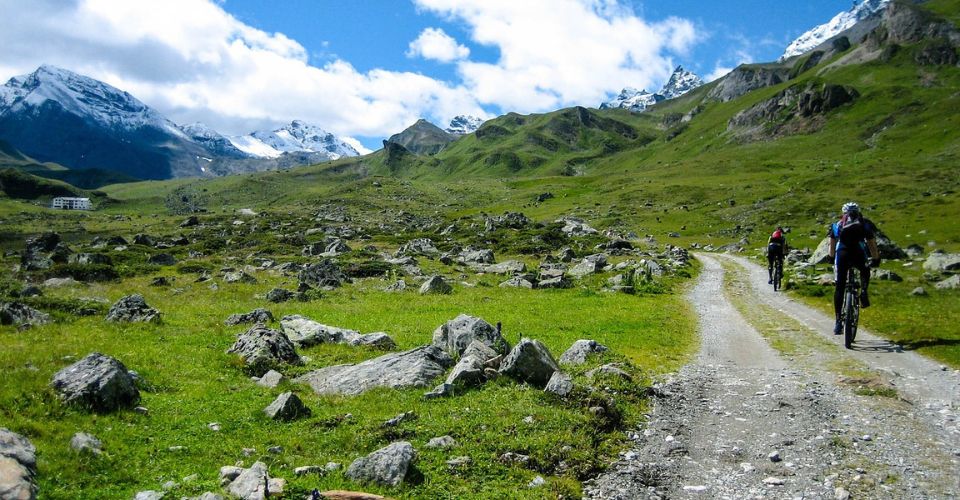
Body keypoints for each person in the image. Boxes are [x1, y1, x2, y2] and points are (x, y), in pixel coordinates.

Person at [828, 202, 881, 334]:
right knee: (865, 270)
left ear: (843, 213)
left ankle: (838, 321)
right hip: (858, 253)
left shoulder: (838, 225)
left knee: (840, 286)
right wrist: (875, 258)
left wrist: (831, 257)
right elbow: (871, 243)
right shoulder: (864, 224)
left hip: (842, 253)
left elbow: (832, 244)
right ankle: (863, 292)